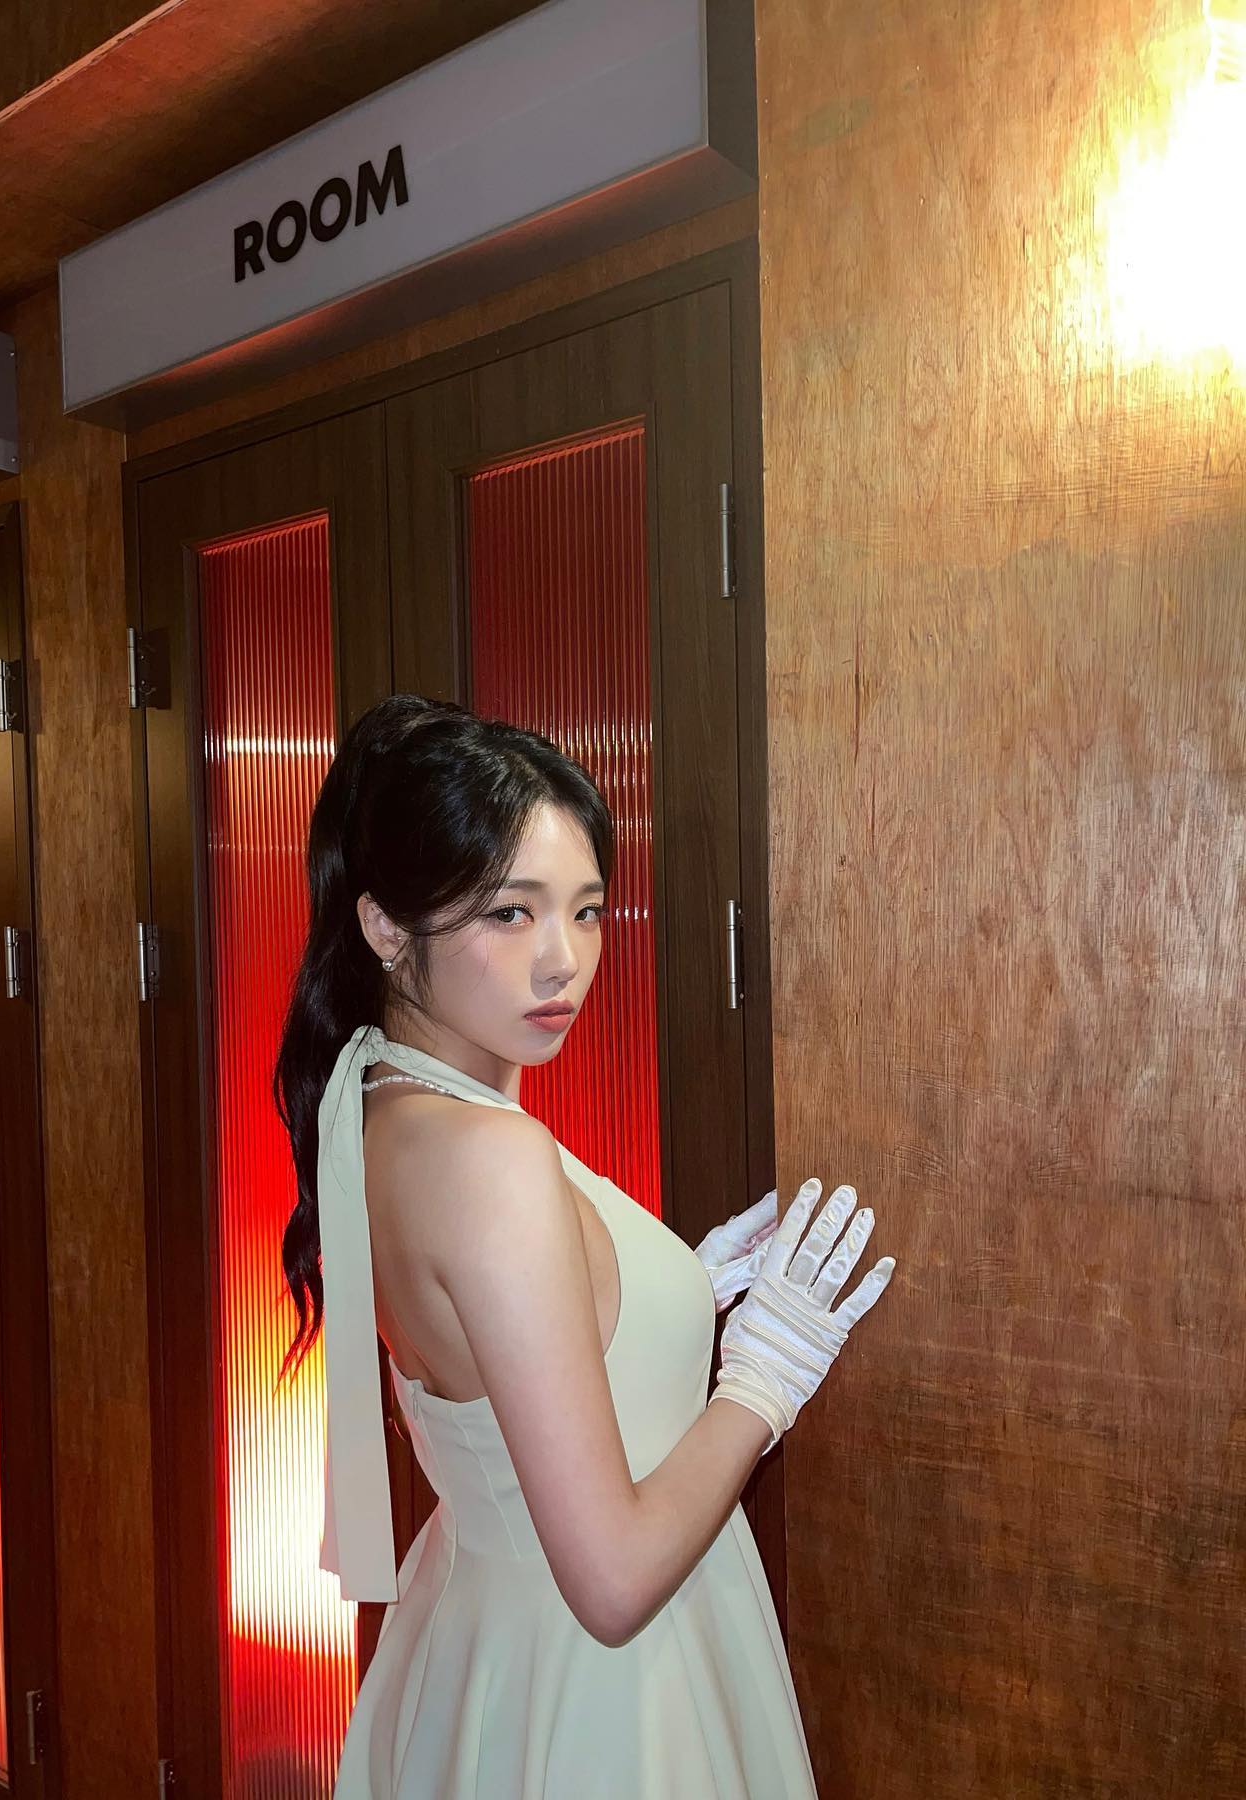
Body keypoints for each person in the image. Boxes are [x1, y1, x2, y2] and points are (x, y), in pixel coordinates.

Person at [274, 692, 897, 1798]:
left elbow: (501, 1367)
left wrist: (665, 1298)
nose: (563, 961)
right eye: (510, 913)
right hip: (601, 1691)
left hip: (487, 1649)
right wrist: (765, 1378)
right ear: (386, 927)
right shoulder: (486, 1153)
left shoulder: (379, 1104)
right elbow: (611, 1581)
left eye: (590, 911)